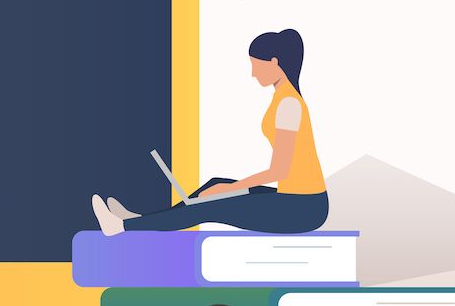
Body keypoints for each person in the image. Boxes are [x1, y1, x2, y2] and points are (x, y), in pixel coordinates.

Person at [90, 28, 328, 235]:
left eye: (256, 64)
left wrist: (231, 190)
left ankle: (121, 227)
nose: (253, 73)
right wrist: (226, 188)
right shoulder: (284, 98)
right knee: (214, 185)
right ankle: (141, 220)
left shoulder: (289, 104)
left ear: (274, 62)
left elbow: (279, 170)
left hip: (303, 208)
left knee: (211, 203)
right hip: (295, 200)